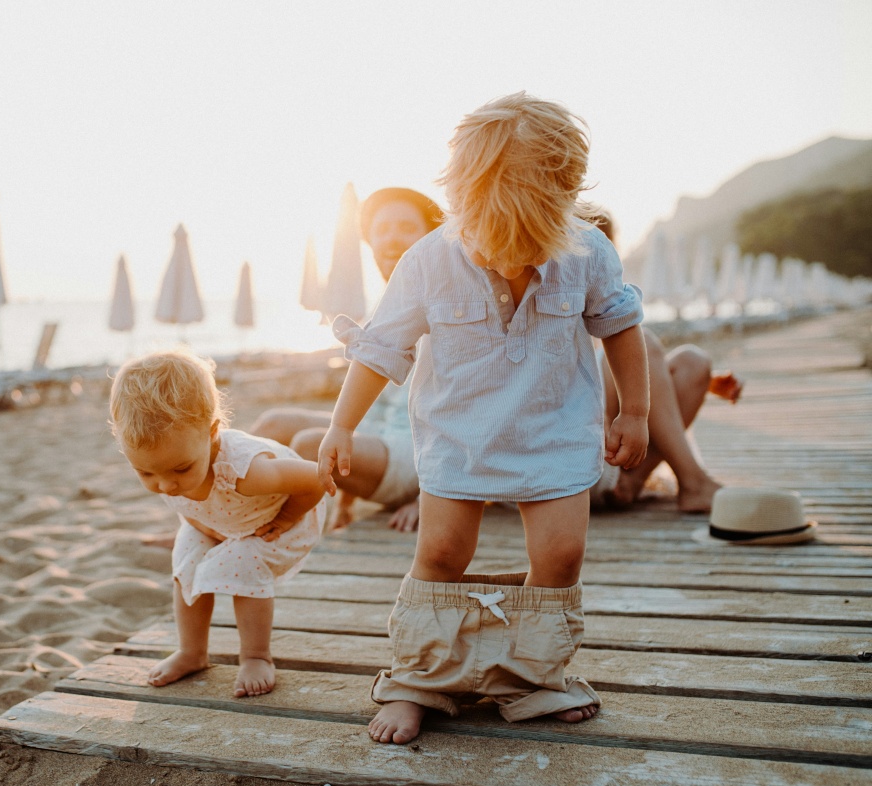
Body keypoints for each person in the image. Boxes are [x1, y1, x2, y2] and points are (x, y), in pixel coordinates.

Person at [317, 92, 650, 743]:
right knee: (442, 553)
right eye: (497, 244)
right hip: (458, 438)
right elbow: (380, 349)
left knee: (560, 556)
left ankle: (532, 678)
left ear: (563, 205)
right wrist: (340, 425)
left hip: (554, 434)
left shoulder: (587, 251)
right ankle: (421, 678)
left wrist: (634, 411)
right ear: (463, 205)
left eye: (531, 246)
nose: (512, 261)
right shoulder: (429, 260)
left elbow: (622, 327)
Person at [109, 350, 329, 699]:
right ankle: (192, 652)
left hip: (280, 517)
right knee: (186, 563)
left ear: (211, 433)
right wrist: (200, 520)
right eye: (146, 473)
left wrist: (287, 518)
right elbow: (187, 496)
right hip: (219, 519)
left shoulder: (248, 472)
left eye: (181, 469)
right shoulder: (169, 461)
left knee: (244, 561)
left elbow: (317, 479)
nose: (165, 485)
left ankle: (256, 655)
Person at [251, 187, 443, 532]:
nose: (392, 238)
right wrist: (346, 500)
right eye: (381, 230)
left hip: (417, 455)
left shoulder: (445, 299)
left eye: (405, 227)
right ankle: (214, 521)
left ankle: (250, 531)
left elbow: (469, 411)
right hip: (376, 436)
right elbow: (372, 404)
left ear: (431, 236)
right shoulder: (385, 302)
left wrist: (429, 499)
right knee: (271, 423)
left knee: (308, 445)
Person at [587, 211, 743, 513]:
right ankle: (694, 481)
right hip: (570, 455)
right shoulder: (550, 288)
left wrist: (708, 385)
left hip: (615, 455)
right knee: (642, 341)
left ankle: (631, 484)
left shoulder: (601, 299)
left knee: (693, 363)